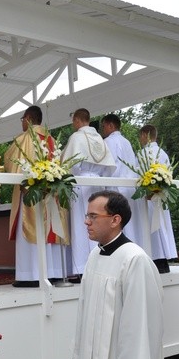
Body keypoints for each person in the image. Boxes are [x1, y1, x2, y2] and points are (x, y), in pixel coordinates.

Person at [70, 190, 168, 359]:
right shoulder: (94, 255)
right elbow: (84, 308)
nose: (86, 222)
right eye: (86, 215)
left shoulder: (135, 260)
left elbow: (140, 325)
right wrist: (79, 353)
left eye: (93, 216)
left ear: (115, 220)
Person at [3, 105, 68, 287]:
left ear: (29, 119)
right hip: (49, 193)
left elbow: (11, 162)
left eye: (23, 119)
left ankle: (30, 275)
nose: (22, 123)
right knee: (49, 229)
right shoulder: (52, 139)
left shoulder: (25, 139)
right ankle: (52, 272)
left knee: (30, 230)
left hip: (30, 192)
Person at [61, 108, 116, 277]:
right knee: (100, 223)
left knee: (82, 224)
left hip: (81, 183)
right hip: (98, 184)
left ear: (77, 120)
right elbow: (109, 166)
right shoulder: (99, 138)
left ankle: (82, 268)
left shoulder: (76, 137)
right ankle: (102, 264)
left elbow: (70, 164)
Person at [138, 124, 177, 273]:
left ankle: (156, 260)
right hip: (161, 196)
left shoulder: (143, 153)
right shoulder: (164, 153)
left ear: (144, 135)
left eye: (140, 136)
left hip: (149, 196)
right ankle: (164, 259)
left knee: (152, 228)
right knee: (161, 226)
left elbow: (138, 175)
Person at [101, 114, 142, 246]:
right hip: (130, 188)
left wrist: (102, 183)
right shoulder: (127, 142)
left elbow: (109, 166)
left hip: (115, 187)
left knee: (117, 225)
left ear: (110, 125)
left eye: (104, 126)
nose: (103, 130)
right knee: (131, 225)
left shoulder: (108, 142)